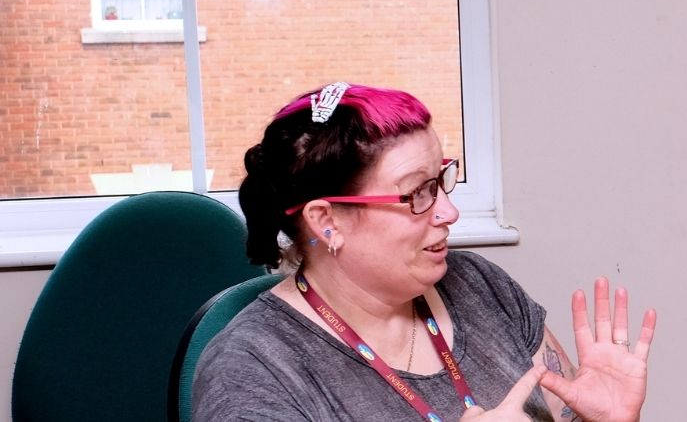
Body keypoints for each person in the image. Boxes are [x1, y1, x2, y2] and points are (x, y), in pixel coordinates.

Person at [194, 82, 656, 422]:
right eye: (418, 192)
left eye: (442, 180)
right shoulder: (251, 369)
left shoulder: (479, 285)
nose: (449, 212)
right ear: (327, 221)